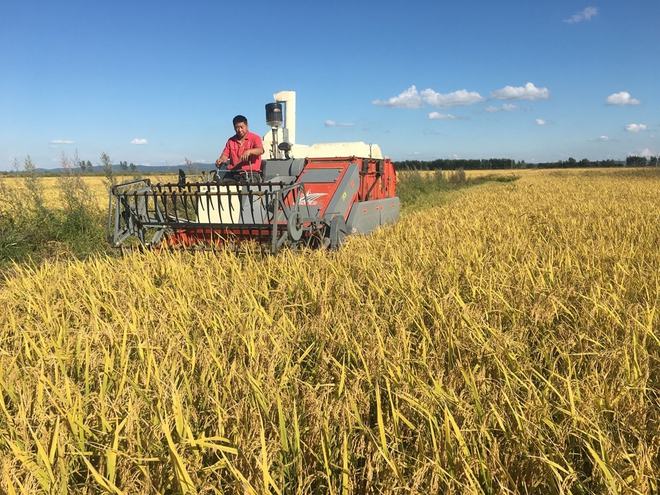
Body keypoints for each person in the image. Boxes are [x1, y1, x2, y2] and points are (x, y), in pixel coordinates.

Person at [215, 115, 264, 181]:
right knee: (219, 184)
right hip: (233, 173)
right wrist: (220, 161)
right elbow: (224, 156)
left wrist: (249, 151)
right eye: (237, 128)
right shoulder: (230, 141)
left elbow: (261, 150)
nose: (239, 130)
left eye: (241, 127)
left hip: (251, 174)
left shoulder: (255, 138)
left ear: (247, 126)